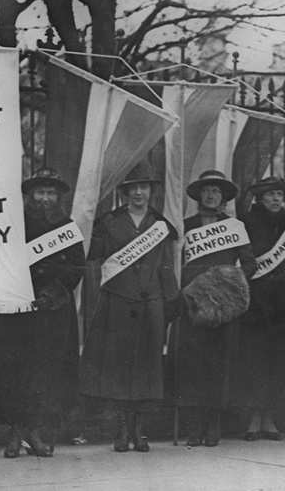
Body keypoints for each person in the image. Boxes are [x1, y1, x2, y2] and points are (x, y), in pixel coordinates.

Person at [0, 168, 85, 458]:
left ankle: (34, 433)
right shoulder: (11, 226)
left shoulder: (67, 227)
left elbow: (76, 267)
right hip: (15, 310)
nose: (45, 199)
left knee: (44, 372)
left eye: (50, 193)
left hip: (52, 310)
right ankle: (14, 433)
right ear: (29, 196)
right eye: (39, 193)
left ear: (58, 197)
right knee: (13, 371)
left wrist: (52, 293)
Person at [79, 161, 179, 453]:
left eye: (143, 187)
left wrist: (170, 301)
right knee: (120, 366)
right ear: (123, 192)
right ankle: (122, 429)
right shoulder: (109, 222)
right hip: (118, 301)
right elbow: (92, 254)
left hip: (151, 302)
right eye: (132, 188)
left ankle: (140, 429)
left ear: (151, 191)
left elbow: (166, 266)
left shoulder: (160, 225)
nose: (138, 193)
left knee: (148, 366)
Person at [170, 170, 256, 447]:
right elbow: (174, 264)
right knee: (192, 365)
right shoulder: (184, 226)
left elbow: (250, 264)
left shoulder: (235, 227)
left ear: (223, 197)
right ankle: (194, 426)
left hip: (223, 308)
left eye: (216, 191)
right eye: (206, 190)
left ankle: (213, 423)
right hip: (192, 304)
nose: (211, 195)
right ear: (199, 195)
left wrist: (225, 285)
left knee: (219, 365)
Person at [232, 176, 285, 441]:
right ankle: (254, 419)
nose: (276, 199)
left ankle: (270, 418)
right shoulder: (246, 223)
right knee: (255, 361)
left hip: (281, 304)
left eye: (280, 194)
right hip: (255, 301)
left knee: (277, 363)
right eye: (270, 195)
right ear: (259, 198)